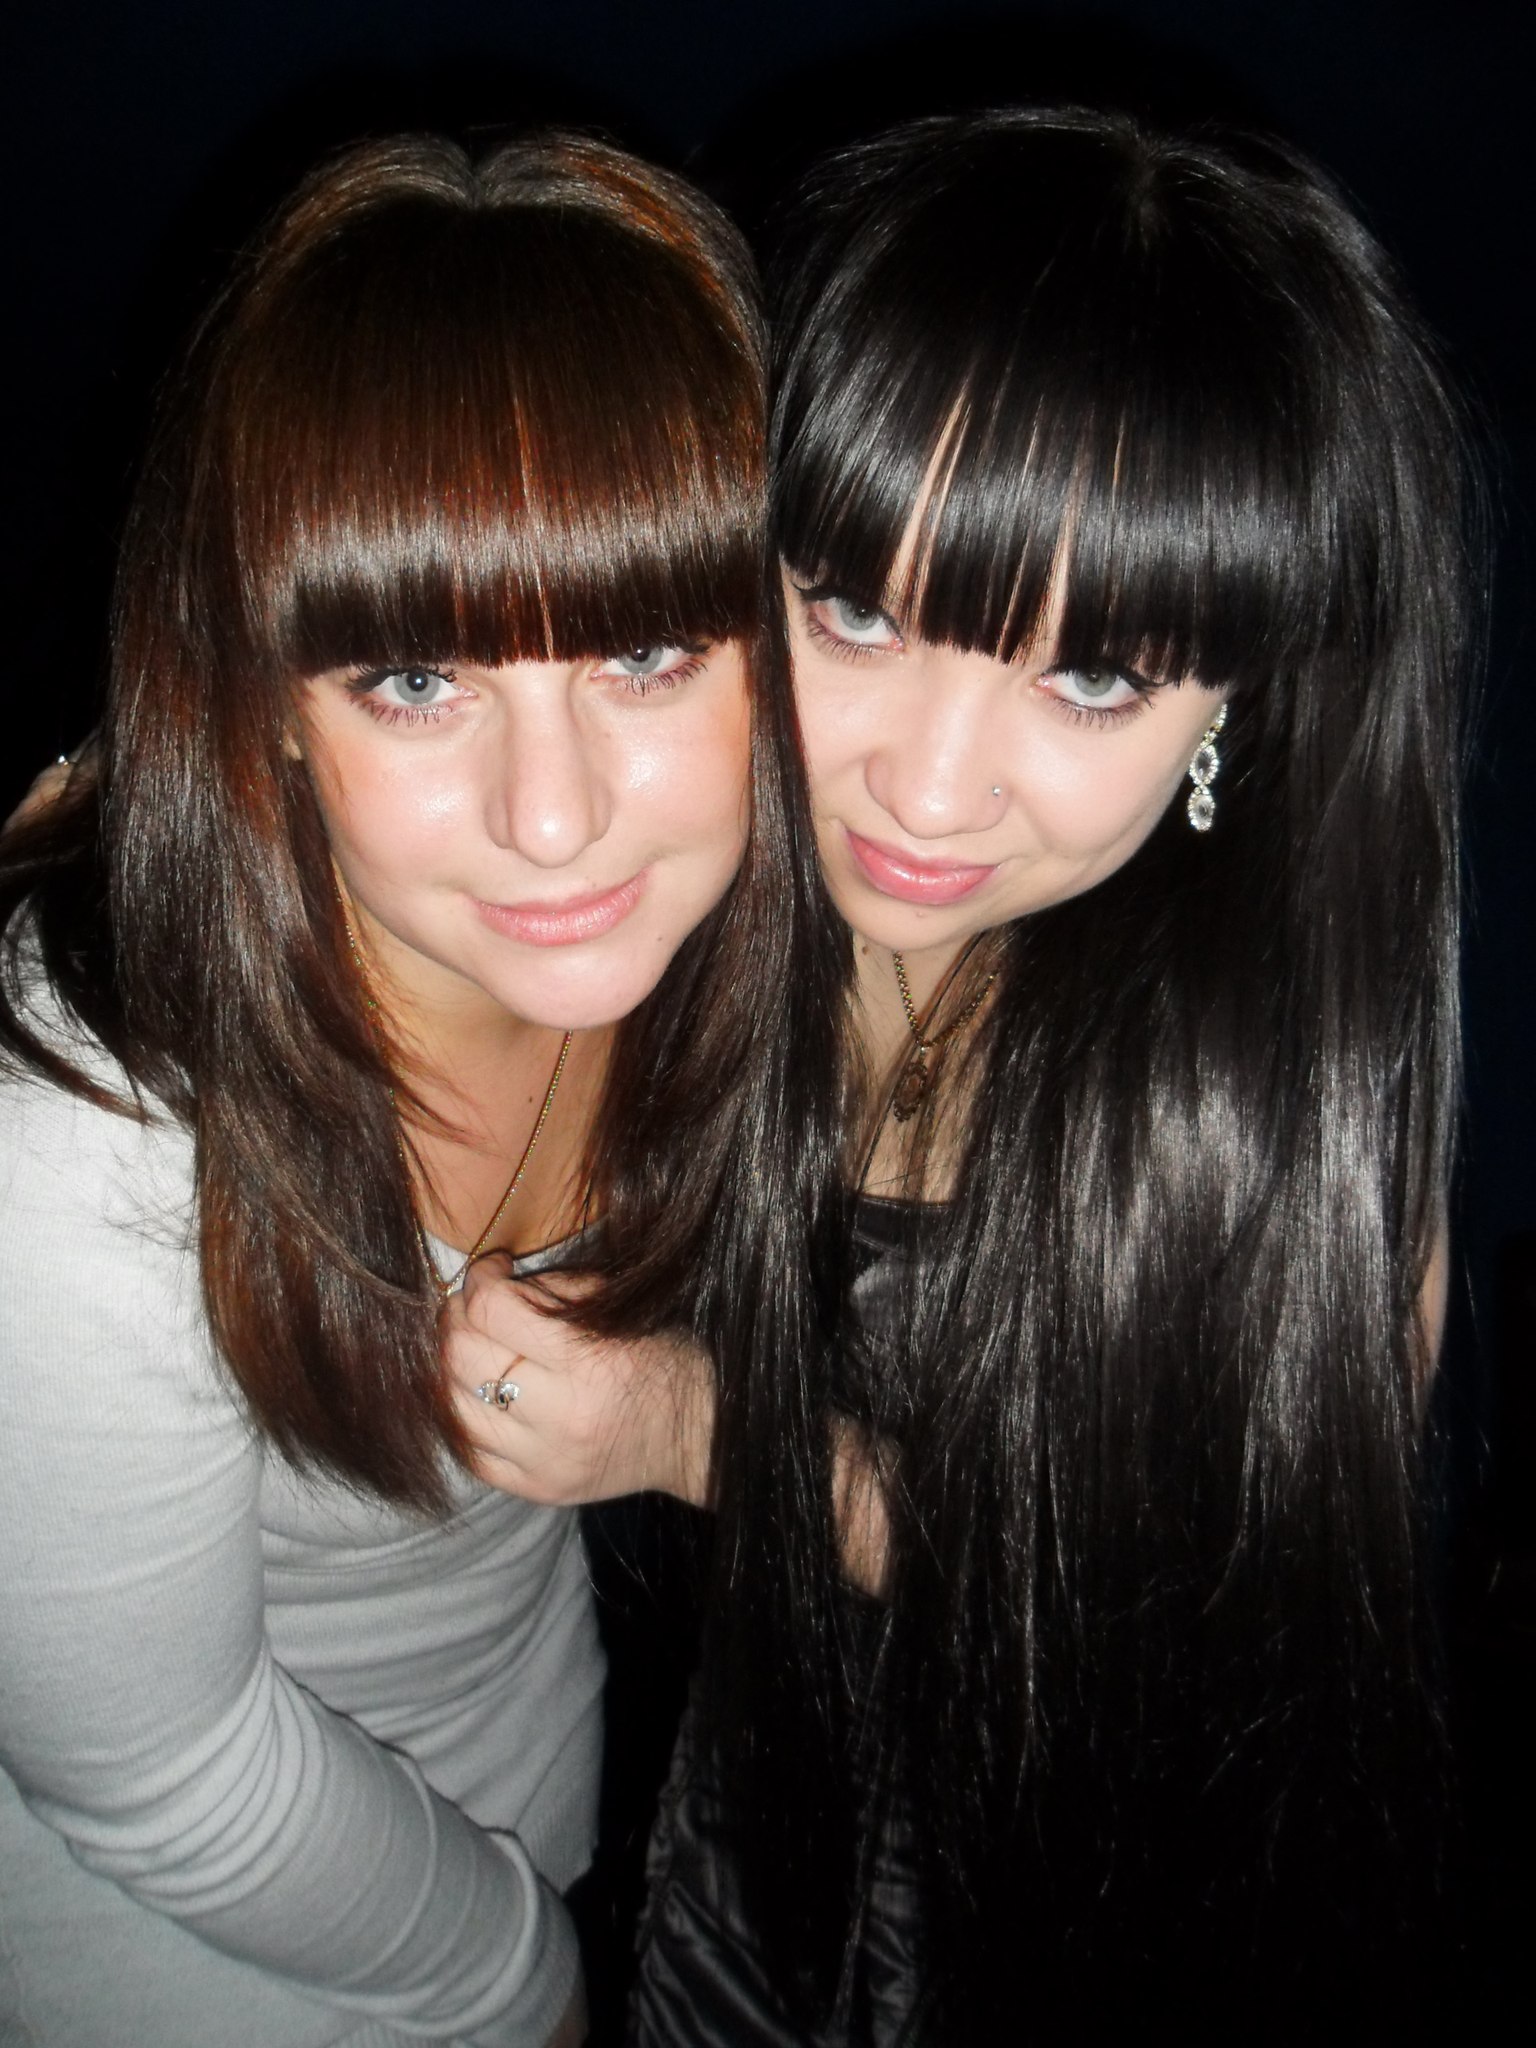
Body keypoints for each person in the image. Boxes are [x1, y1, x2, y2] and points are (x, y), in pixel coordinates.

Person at [445, 108, 1481, 2037]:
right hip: (737, 1870)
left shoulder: (1280, 1120)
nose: (923, 792)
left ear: (1238, 702)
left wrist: (690, 1430)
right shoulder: (700, 892)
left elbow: (1184, 1634)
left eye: (1092, 680)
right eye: (855, 613)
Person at [0, 129, 813, 2047]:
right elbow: (159, 1776)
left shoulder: (736, 939)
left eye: (643, 652)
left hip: (532, 1819)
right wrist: (524, 1981)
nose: (557, 817)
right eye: (417, 684)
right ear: (265, 701)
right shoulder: (87, 1145)